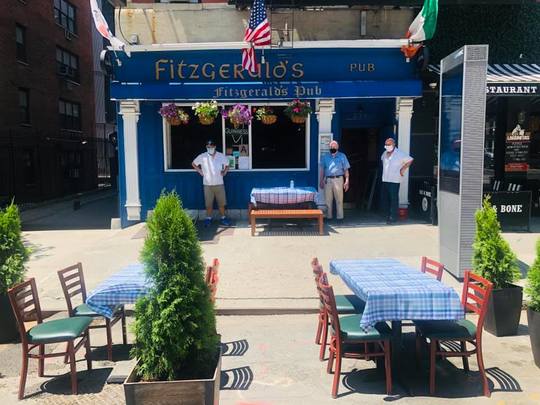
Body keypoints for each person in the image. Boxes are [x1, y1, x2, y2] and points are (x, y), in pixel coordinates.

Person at [192, 140, 231, 227]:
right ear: (206, 147)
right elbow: (194, 164)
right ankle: (208, 218)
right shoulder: (203, 156)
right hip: (207, 184)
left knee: (221, 203)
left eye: (212, 147)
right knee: (208, 204)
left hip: (219, 183)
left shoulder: (221, 156)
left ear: (215, 147)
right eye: (208, 147)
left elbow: (228, 164)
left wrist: (225, 172)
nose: (210, 149)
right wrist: (200, 171)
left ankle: (223, 218)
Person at [381, 138, 413, 224]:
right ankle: (388, 215)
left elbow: (410, 160)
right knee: (386, 198)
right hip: (385, 179)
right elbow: (382, 162)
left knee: (393, 198)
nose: (387, 146)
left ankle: (393, 217)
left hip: (395, 179)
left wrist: (403, 169)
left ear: (393, 144)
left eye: (389, 144)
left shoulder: (399, 153)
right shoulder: (384, 153)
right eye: (386, 144)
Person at [319, 140, 350, 221]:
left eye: (335, 147)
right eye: (331, 147)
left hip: (338, 179)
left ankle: (340, 217)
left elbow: (346, 169)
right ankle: (329, 217)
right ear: (329, 147)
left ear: (337, 147)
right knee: (328, 200)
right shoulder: (325, 157)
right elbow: (322, 169)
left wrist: (347, 180)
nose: (333, 148)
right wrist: (321, 180)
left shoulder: (342, 156)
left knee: (339, 199)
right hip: (328, 180)